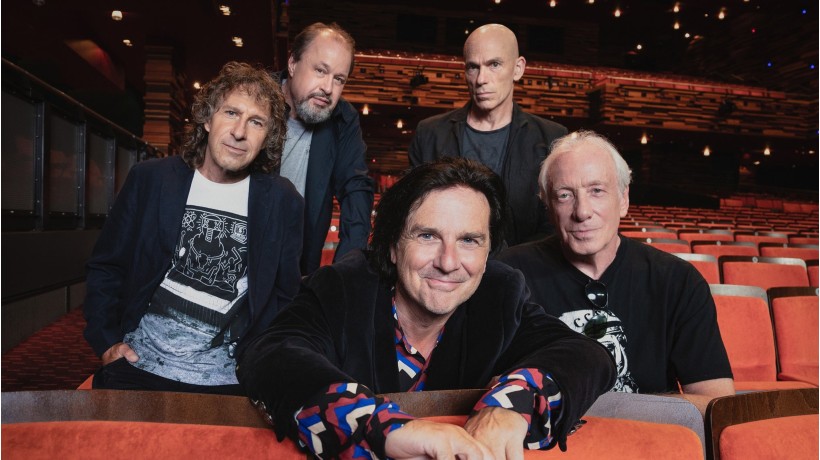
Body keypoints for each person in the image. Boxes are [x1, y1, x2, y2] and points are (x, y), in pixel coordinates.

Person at [237, 158, 615, 459]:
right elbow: (270, 354)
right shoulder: (342, 286)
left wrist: (511, 404)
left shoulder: (500, 294)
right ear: (392, 246)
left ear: (487, 253)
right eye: (428, 235)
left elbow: (586, 356)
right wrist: (382, 428)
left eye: (469, 240)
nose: (448, 262)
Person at [83, 61, 303, 395]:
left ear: (266, 137)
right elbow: (106, 266)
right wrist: (106, 342)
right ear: (208, 118)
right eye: (231, 113)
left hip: (230, 379)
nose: (240, 131)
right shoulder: (151, 179)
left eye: (256, 122)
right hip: (139, 364)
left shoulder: (282, 201)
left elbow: (285, 297)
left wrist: (262, 362)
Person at [497, 131, 734, 439]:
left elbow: (716, 405)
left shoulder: (678, 280)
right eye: (565, 195)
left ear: (623, 199)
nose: (582, 212)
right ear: (548, 206)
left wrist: (591, 407)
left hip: (646, 445)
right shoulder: (507, 275)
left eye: (597, 191)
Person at [409, 23, 567, 248]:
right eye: (473, 67)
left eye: (494, 64)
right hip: (448, 262)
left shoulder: (551, 137)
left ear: (518, 69)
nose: (481, 79)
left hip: (525, 265)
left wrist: (511, 261)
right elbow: (413, 213)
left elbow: (555, 222)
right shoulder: (430, 134)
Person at [274, 22, 374, 274]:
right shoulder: (253, 97)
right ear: (293, 63)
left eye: (339, 79)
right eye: (320, 70)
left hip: (297, 264)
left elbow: (356, 188)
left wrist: (346, 270)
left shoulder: (344, 119)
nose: (328, 88)